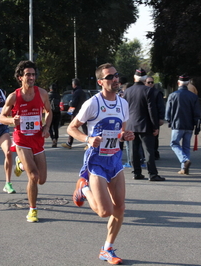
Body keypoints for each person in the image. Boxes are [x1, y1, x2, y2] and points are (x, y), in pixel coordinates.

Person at [69, 63, 134, 265]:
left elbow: (121, 132)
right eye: (110, 77)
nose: (115, 79)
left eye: (116, 75)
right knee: (104, 212)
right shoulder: (93, 104)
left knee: (120, 208)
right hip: (96, 161)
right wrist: (88, 139)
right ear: (100, 82)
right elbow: (72, 128)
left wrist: (126, 135)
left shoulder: (123, 104)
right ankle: (84, 188)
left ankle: (107, 249)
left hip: (114, 160)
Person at [0, 60, 52, 223]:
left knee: (42, 179)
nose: (31, 77)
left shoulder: (42, 93)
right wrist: (10, 121)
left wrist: (46, 127)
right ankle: (32, 210)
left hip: (37, 139)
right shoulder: (14, 96)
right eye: (28, 74)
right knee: (34, 177)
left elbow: (49, 112)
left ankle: (20, 164)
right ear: (20, 77)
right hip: (21, 140)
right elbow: (1, 117)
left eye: (33, 74)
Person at [123, 68, 165, 181]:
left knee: (133, 150)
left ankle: (136, 173)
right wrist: (155, 126)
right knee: (148, 151)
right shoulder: (148, 91)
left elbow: (124, 109)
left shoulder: (127, 91)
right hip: (145, 125)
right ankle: (152, 174)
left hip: (131, 125)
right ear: (145, 79)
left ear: (134, 78)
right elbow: (152, 110)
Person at [165, 74, 201, 175]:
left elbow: (167, 113)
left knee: (174, 143)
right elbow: (197, 113)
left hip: (177, 124)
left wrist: (169, 121)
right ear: (188, 83)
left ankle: (184, 160)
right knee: (186, 146)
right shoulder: (193, 96)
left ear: (178, 83)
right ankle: (184, 168)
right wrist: (197, 125)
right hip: (189, 126)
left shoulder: (173, 95)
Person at [62, 78, 87, 149]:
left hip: (76, 112)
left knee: (72, 127)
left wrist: (69, 112)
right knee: (84, 127)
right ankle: (70, 143)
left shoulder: (76, 92)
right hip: (83, 111)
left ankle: (69, 143)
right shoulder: (82, 92)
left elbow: (74, 103)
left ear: (74, 84)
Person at [146, 76, 165, 160]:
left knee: (154, 136)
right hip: (144, 118)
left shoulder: (157, 93)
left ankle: (154, 152)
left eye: (152, 82)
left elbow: (161, 106)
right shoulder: (142, 91)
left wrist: (161, 118)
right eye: (148, 82)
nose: (150, 84)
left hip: (155, 118)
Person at [48, 83, 61, 147]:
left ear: (50, 89)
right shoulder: (58, 95)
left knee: (49, 127)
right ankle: (56, 139)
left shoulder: (48, 95)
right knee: (56, 127)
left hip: (50, 112)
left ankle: (53, 138)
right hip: (57, 112)